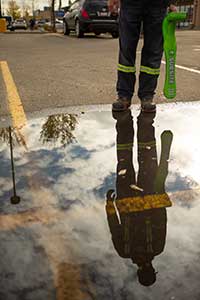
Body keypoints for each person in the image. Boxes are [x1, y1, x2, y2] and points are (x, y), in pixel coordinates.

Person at [106, 110, 173, 286]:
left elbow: (162, 218)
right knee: (124, 158)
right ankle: (123, 121)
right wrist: (109, 205)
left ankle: (146, 119)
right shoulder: (124, 251)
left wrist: (159, 188)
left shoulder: (157, 248)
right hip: (127, 199)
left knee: (147, 156)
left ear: (152, 269)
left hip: (149, 195)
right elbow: (114, 225)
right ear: (138, 271)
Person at [108, 0, 177, 112]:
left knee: (153, 51)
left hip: (158, 4)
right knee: (126, 49)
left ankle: (147, 96)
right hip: (130, 3)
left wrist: (172, 2)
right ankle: (124, 95)